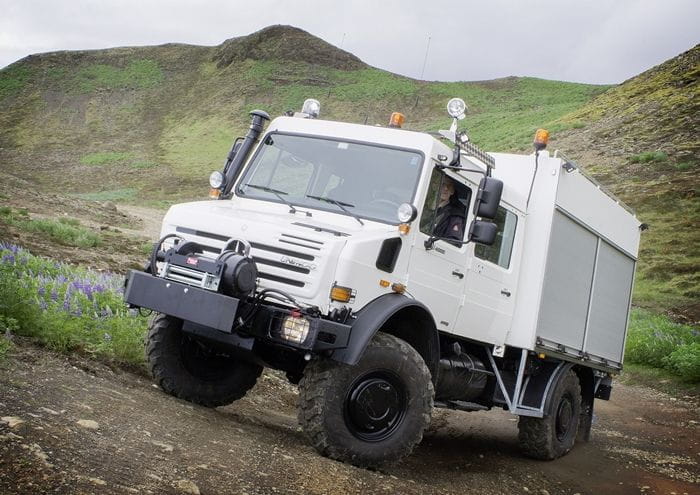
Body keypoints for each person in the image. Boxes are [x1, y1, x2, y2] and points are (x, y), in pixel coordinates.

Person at [433, 177, 466, 244]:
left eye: (449, 186)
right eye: (442, 184)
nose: (446, 188)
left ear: (452, 191)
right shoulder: (424, 206)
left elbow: (453, 241)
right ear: (434, 186)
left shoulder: (455, 215)